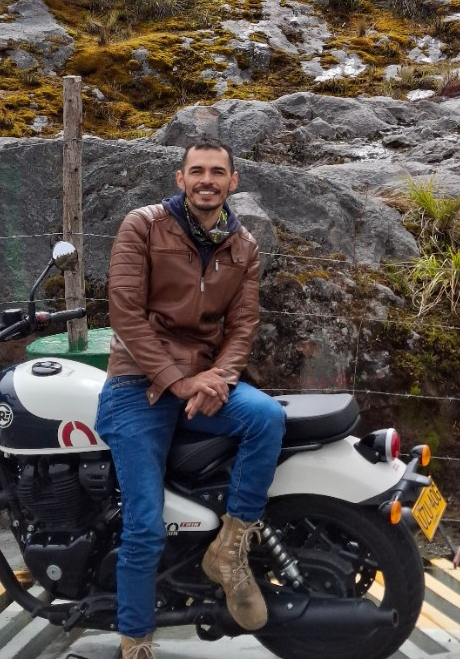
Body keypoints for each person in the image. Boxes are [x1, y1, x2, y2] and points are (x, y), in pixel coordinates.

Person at [96, 135, 287, 659]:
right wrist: (178, 381)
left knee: (267, 417)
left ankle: (229, 548)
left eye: (217, 172)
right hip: (137, 385)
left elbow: (243, 325)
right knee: (144, 524)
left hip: (204, 383)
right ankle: (136, 641)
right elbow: (125, 313)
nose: (207, 181)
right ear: (180, 179)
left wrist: (219, 378)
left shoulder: (243, 245)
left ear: (233, 181)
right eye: (197, 171)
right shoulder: (142, 225)